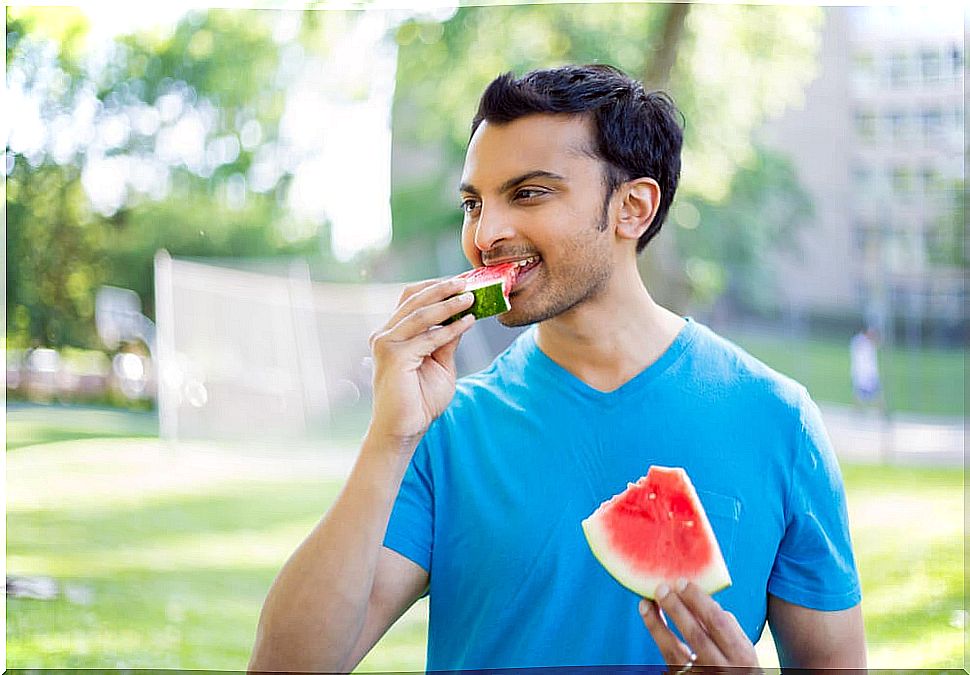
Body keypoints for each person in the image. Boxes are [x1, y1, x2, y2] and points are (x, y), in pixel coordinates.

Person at [249, 64, 866, 672]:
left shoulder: (777, 419)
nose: (485, 234)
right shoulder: (446, 428)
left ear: (632, 208)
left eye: (528, 193)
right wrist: (390, 437)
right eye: (473, 203)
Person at [850, 325, 885, 416]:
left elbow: (879, 344)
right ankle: (858, 411)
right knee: (859, 392)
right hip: (861, 372)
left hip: (870, 372)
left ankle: (881, 410)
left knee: (877, 392)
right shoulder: (859, 340)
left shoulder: (869, 342)